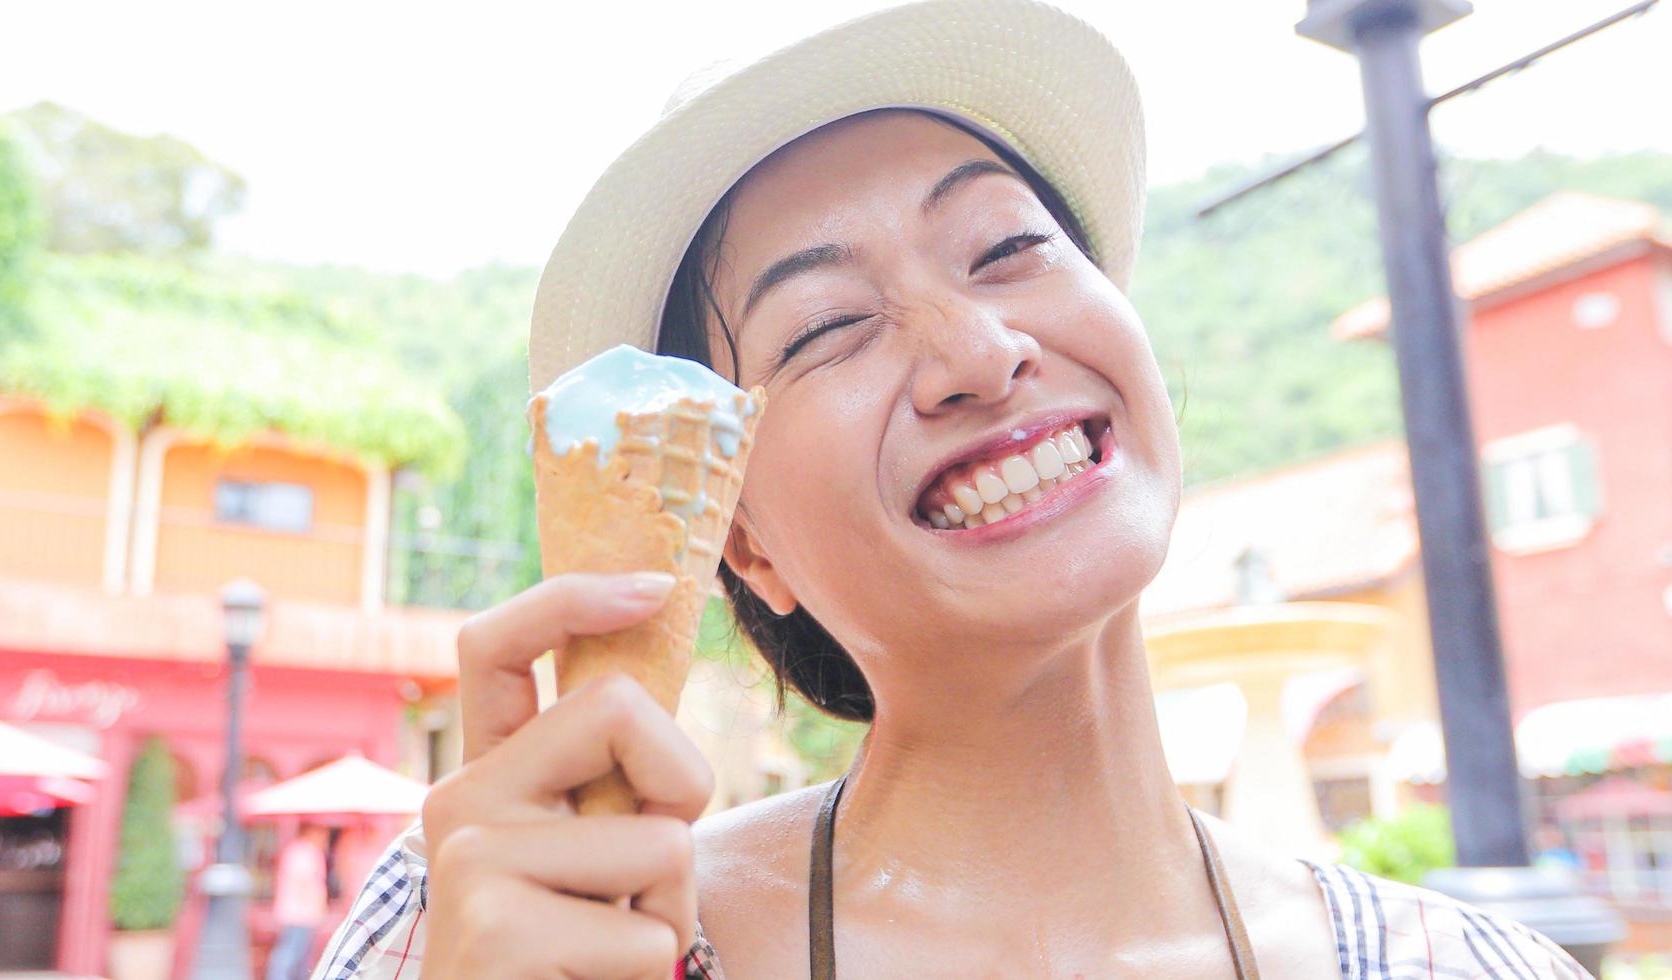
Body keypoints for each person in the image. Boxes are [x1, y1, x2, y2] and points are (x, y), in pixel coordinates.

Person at [316, 1, 1591, 977]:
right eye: (824, 326)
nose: (978, 354)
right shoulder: (506, 922)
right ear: (738, 533)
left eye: (1008, 246)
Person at [268, 823, 330, 980]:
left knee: (299, 955)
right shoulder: (306, 853)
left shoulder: (297, 851)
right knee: (292, 953)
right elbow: (307, 882)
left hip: (297, 912)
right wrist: (318, 906)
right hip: (301, 913)